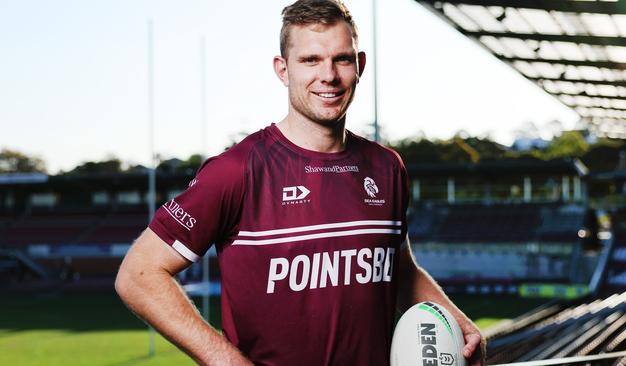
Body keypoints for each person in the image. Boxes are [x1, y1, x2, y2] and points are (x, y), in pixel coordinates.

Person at [115, 0, 485, 365]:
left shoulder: (387, 167)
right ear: (282, 69)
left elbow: (399, 269)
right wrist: (225, 361)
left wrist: (455, 319)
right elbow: (138, 275)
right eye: (310, 60)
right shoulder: (237, 170)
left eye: (341, 58)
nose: (328, 75)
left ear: (360, 65)